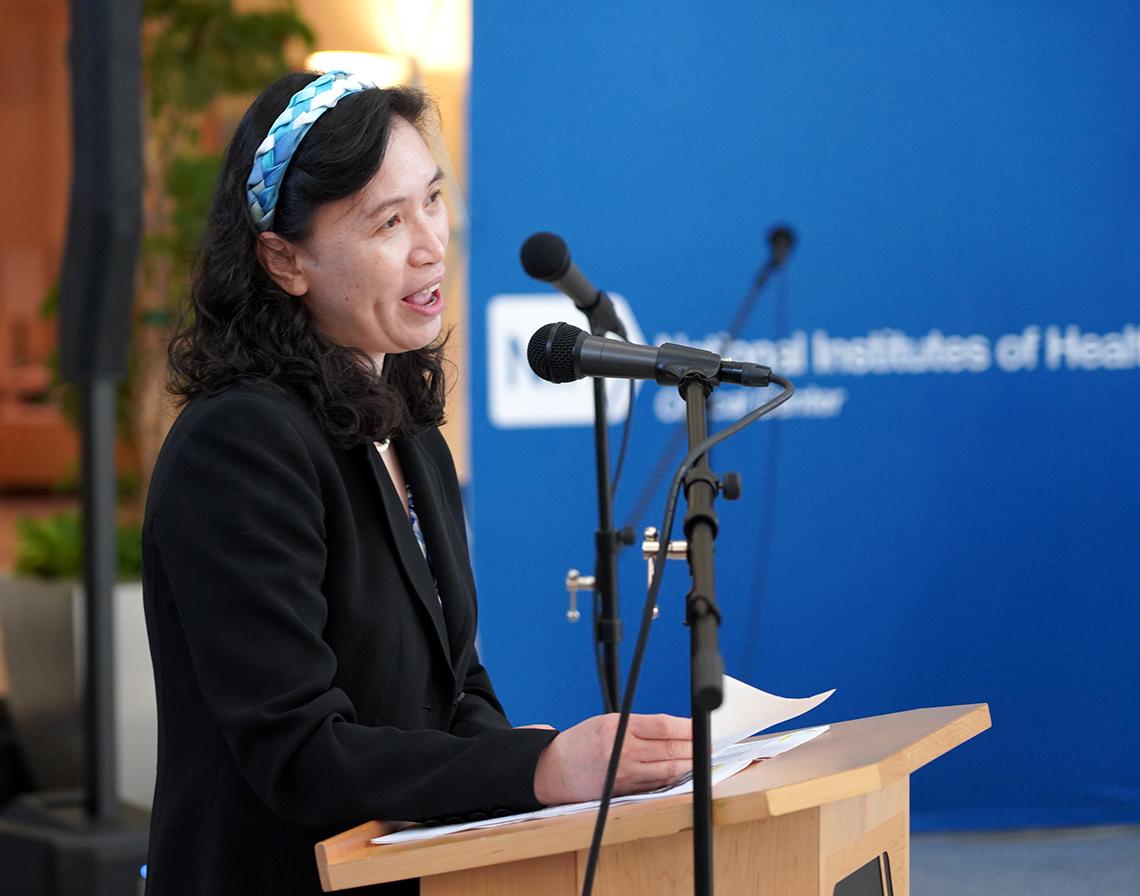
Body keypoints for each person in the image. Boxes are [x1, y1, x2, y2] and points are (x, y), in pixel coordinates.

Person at [141, 70, 692, 895]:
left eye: (432, 201)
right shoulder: (240, 443)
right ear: (284, 259)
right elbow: (301, 752)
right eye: (387, 222)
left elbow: (454, 686)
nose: (431, 244)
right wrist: (538, 768)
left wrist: (515, 763)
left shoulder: (404, 425)